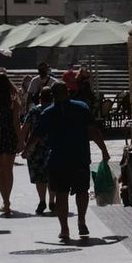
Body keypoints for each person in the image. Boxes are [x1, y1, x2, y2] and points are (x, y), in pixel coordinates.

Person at [26, 82, 110, 241]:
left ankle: (64, 229)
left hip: (59, 160)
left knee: (61, 194)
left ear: (52, 96)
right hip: (80, 157)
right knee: (82, 191)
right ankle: (82, 221)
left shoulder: (48, 113)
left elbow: (36, 135)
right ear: (68, 92)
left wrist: (26, 150)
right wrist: (104, 150)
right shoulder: (82, 108)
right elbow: (93, 131)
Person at [0, 71, 23, 217]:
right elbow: (16, 123)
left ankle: (5, 200)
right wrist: (21, 140)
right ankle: (7, 201)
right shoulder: (13, 102)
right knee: (8, 170)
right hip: (9, 135)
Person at [20, 87, 54, 214]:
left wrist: (22, 145)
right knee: (51, 176)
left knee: (40, 177)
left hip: (35, 148)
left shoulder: (34, 111)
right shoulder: (55, 109)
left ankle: (42, 201)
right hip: (52, 146)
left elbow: (25, 128)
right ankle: (52, 201)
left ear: (40, 98)